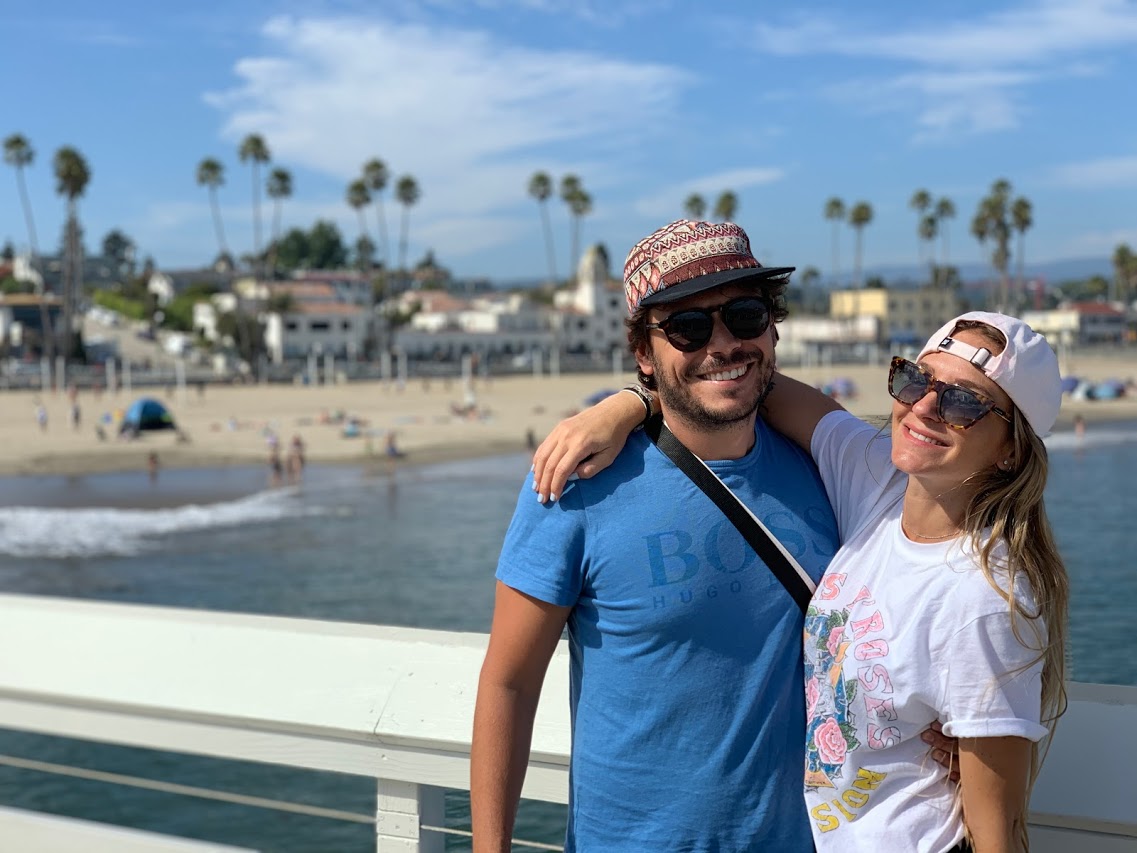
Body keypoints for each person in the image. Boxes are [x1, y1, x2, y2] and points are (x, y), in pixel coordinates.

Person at [534, 311, 1068, 852]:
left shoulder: (986, 598)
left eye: (964, 403)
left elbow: (997, 833)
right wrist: (629, 404)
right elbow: (747, 383)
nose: (925, 407)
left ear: (1011, 449)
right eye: (915, 379)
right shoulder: (875, 480)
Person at [471, 220, 842, 852]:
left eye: (745, 316)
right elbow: (509, 682)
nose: (723, 344)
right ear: (644, 353)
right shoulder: (577, 484)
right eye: (689, 328)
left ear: (773, 328)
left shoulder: (824, 467)